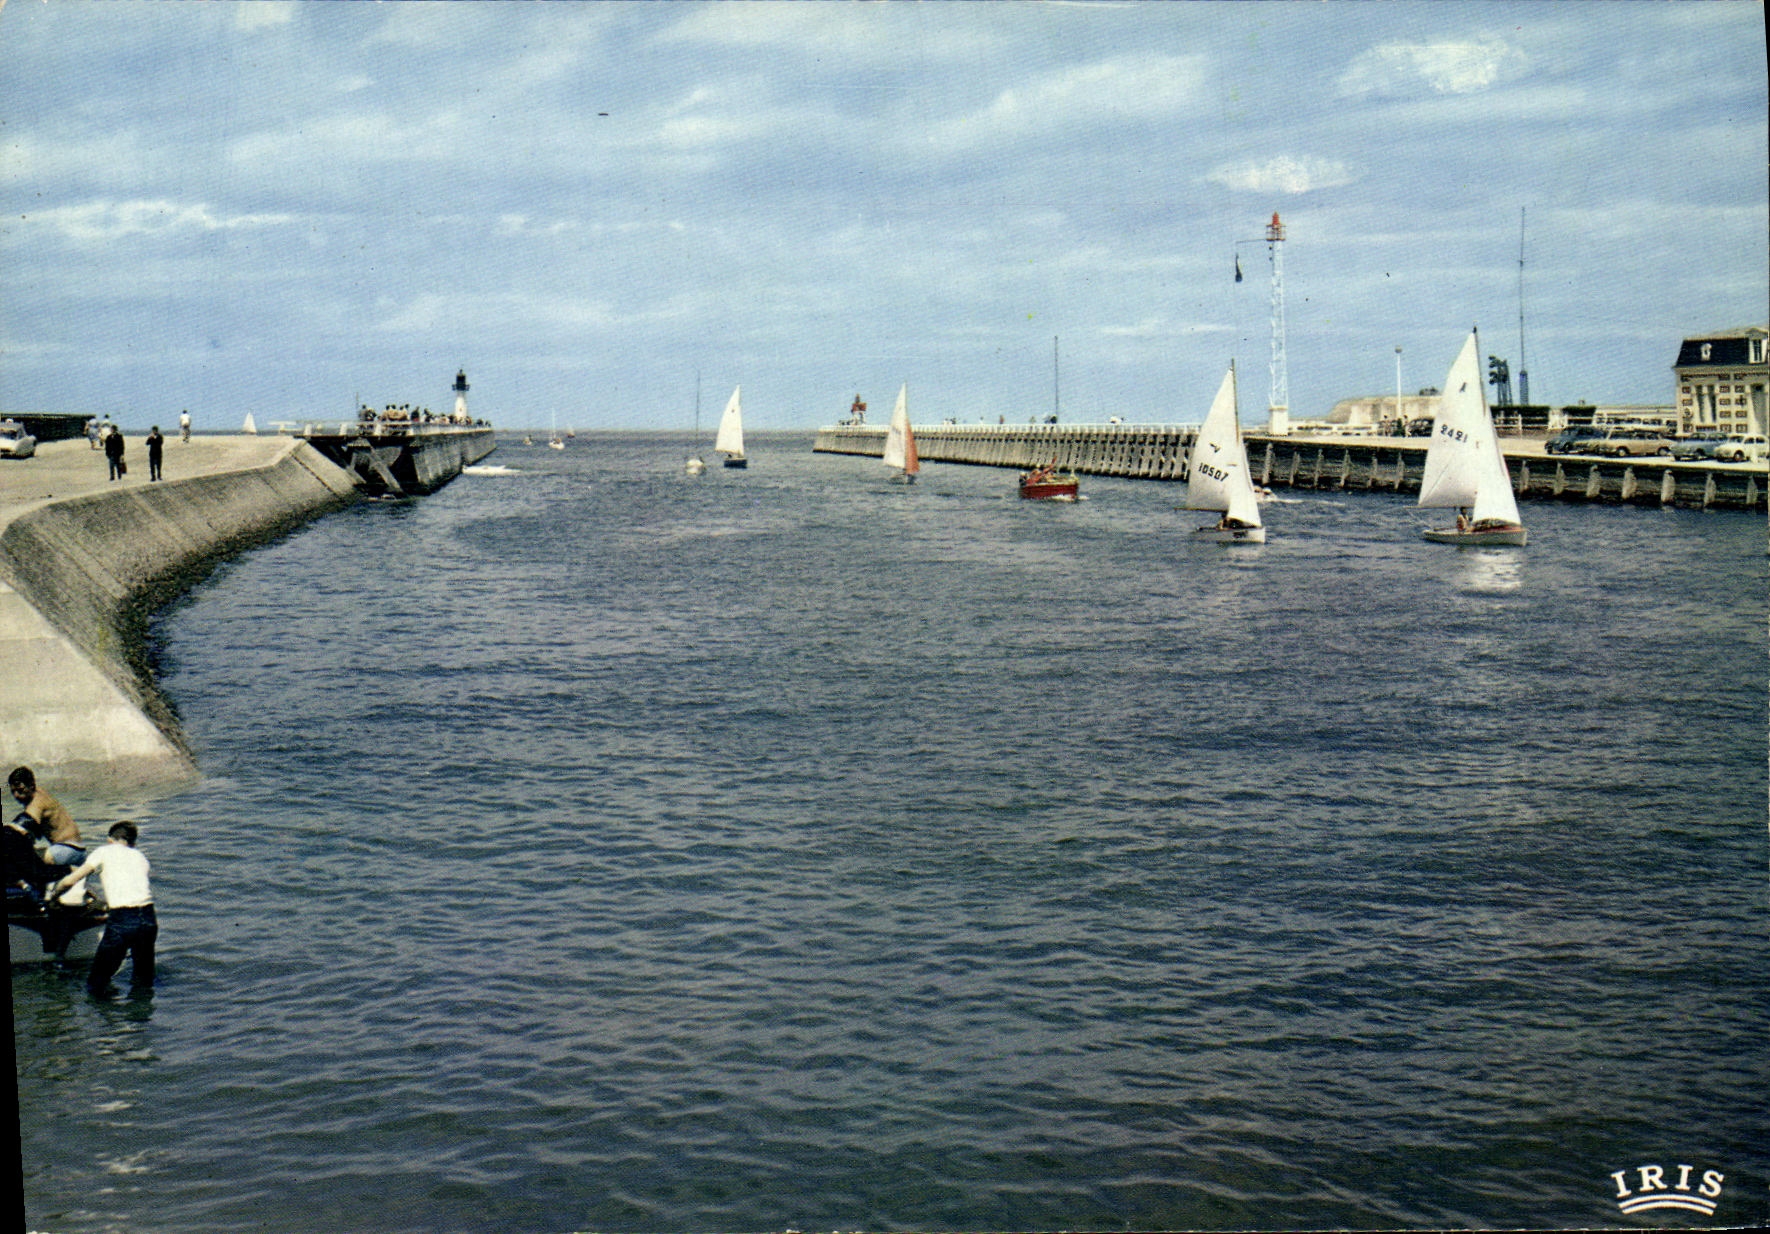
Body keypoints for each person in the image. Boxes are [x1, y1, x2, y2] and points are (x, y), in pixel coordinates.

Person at [49, 821, 157, 996]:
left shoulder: (103, 851)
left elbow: (71, 880)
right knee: (143, 979)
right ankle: (140, 1019)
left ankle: (105, 1019)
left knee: (97, 982)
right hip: (148, 917)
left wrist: (55, 893)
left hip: (122, 919)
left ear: (109, 839)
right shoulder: (140, 857)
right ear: (133, 843)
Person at [8, 766, 85, 866]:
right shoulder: (40, 793)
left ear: (31, 785)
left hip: (66, 850)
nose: (16, 795)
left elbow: (17, 828)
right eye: (13, 791)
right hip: (78, 851)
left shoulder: (37, 803)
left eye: (20, 790)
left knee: (17, 858)